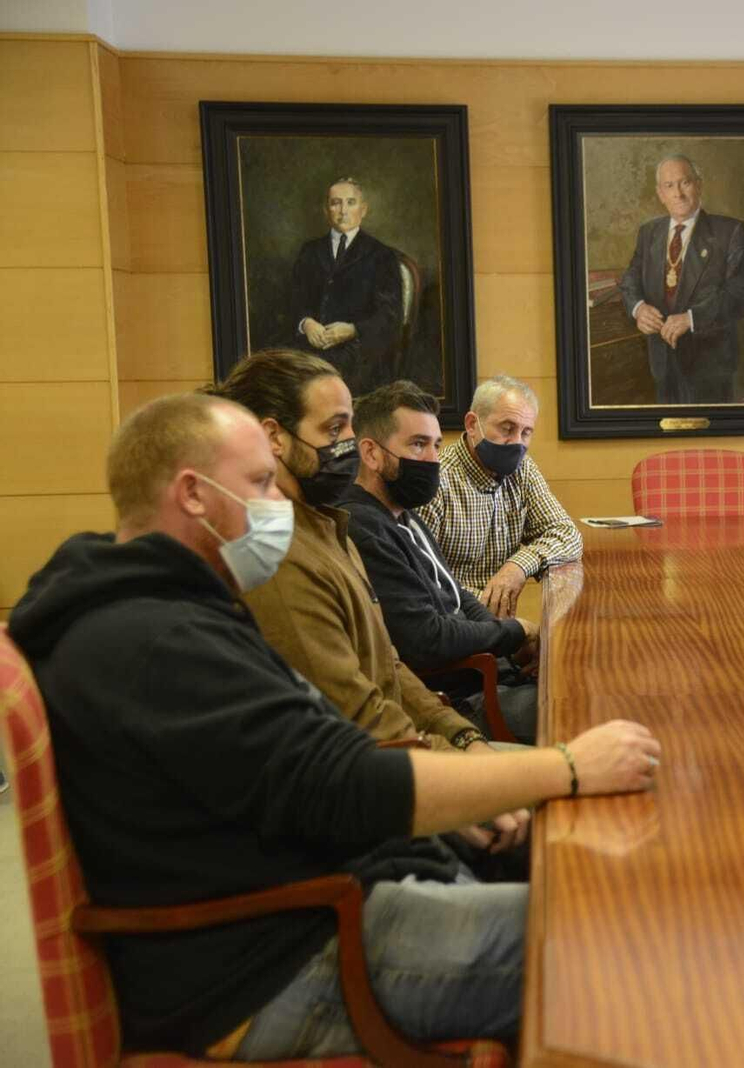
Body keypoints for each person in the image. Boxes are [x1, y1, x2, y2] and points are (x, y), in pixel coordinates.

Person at [5, 391, 660, 1059]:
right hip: (276, 962)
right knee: (607, 935)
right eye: (260, 482)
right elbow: (339, 781)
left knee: (577, 879)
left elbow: (310, 749)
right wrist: (568, 767)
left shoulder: (168, 602)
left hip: (310, 901)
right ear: (193, 495)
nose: (277, 503)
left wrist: (463, 793)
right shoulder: (151, 639)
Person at [209, 348, 486, 752]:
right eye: (334, 429)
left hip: (411, 752)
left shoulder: (330, 526)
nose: (351, 446)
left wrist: (461, 733)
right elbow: (356, 718)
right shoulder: (274, 554)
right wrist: (467, 763)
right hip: (373, 778)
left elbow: (388, 667)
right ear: (274, 438)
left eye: (350, 428)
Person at [343, 380, 539, 743]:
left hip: (489, 672)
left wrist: (508, 640)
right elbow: (426, 639)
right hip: (458, 702)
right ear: (370, 453)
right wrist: (515, 632)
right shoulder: (364, 527)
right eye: (418, 445)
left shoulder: (403, 512)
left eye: (436, 445)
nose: (433, 460)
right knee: (587, 712)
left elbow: (455, 593)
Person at [416, 376, 583, 619]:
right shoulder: (438, 481)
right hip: (450, 622)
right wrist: (498, 621)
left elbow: (567, 534)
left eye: (526, 432)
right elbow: (421, 580)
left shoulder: (522, 470)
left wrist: (517, 566)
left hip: (497, 626)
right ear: (472, 424)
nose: (516, 442)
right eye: (507, 428)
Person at [617, 154, 744, 404]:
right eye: (669, 186)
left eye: (685, 183)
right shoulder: (649, 232)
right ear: (660, 193)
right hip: (660, 363)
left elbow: (742, 294)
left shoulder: (731, 231)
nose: (678, 194)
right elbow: (630, 280)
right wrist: (638, 308)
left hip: (710, 367)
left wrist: (692, 318)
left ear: (699, 185)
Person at [290, 177, 404, 395]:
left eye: (350, 202)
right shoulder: (310, 251)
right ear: (326, 210)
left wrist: (353, 330)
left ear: (363, 209)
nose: (343, 210)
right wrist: (306, 323)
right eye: (335, 203)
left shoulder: (381, 255)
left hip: (359, 353)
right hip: (309, 350)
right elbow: (294, 301)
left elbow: (390, 316)